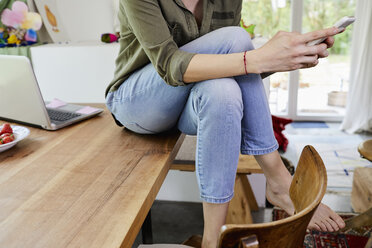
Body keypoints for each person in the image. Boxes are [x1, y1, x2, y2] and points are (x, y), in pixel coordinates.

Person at [105, 0, 346, 247]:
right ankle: (278, 178)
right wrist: (259, 58)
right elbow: (168, 64)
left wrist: (285, 59)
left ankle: (214, 238)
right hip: (137, 103)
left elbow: (231, 67)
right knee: (235, 37)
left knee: (223, 90)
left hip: (187, 104)